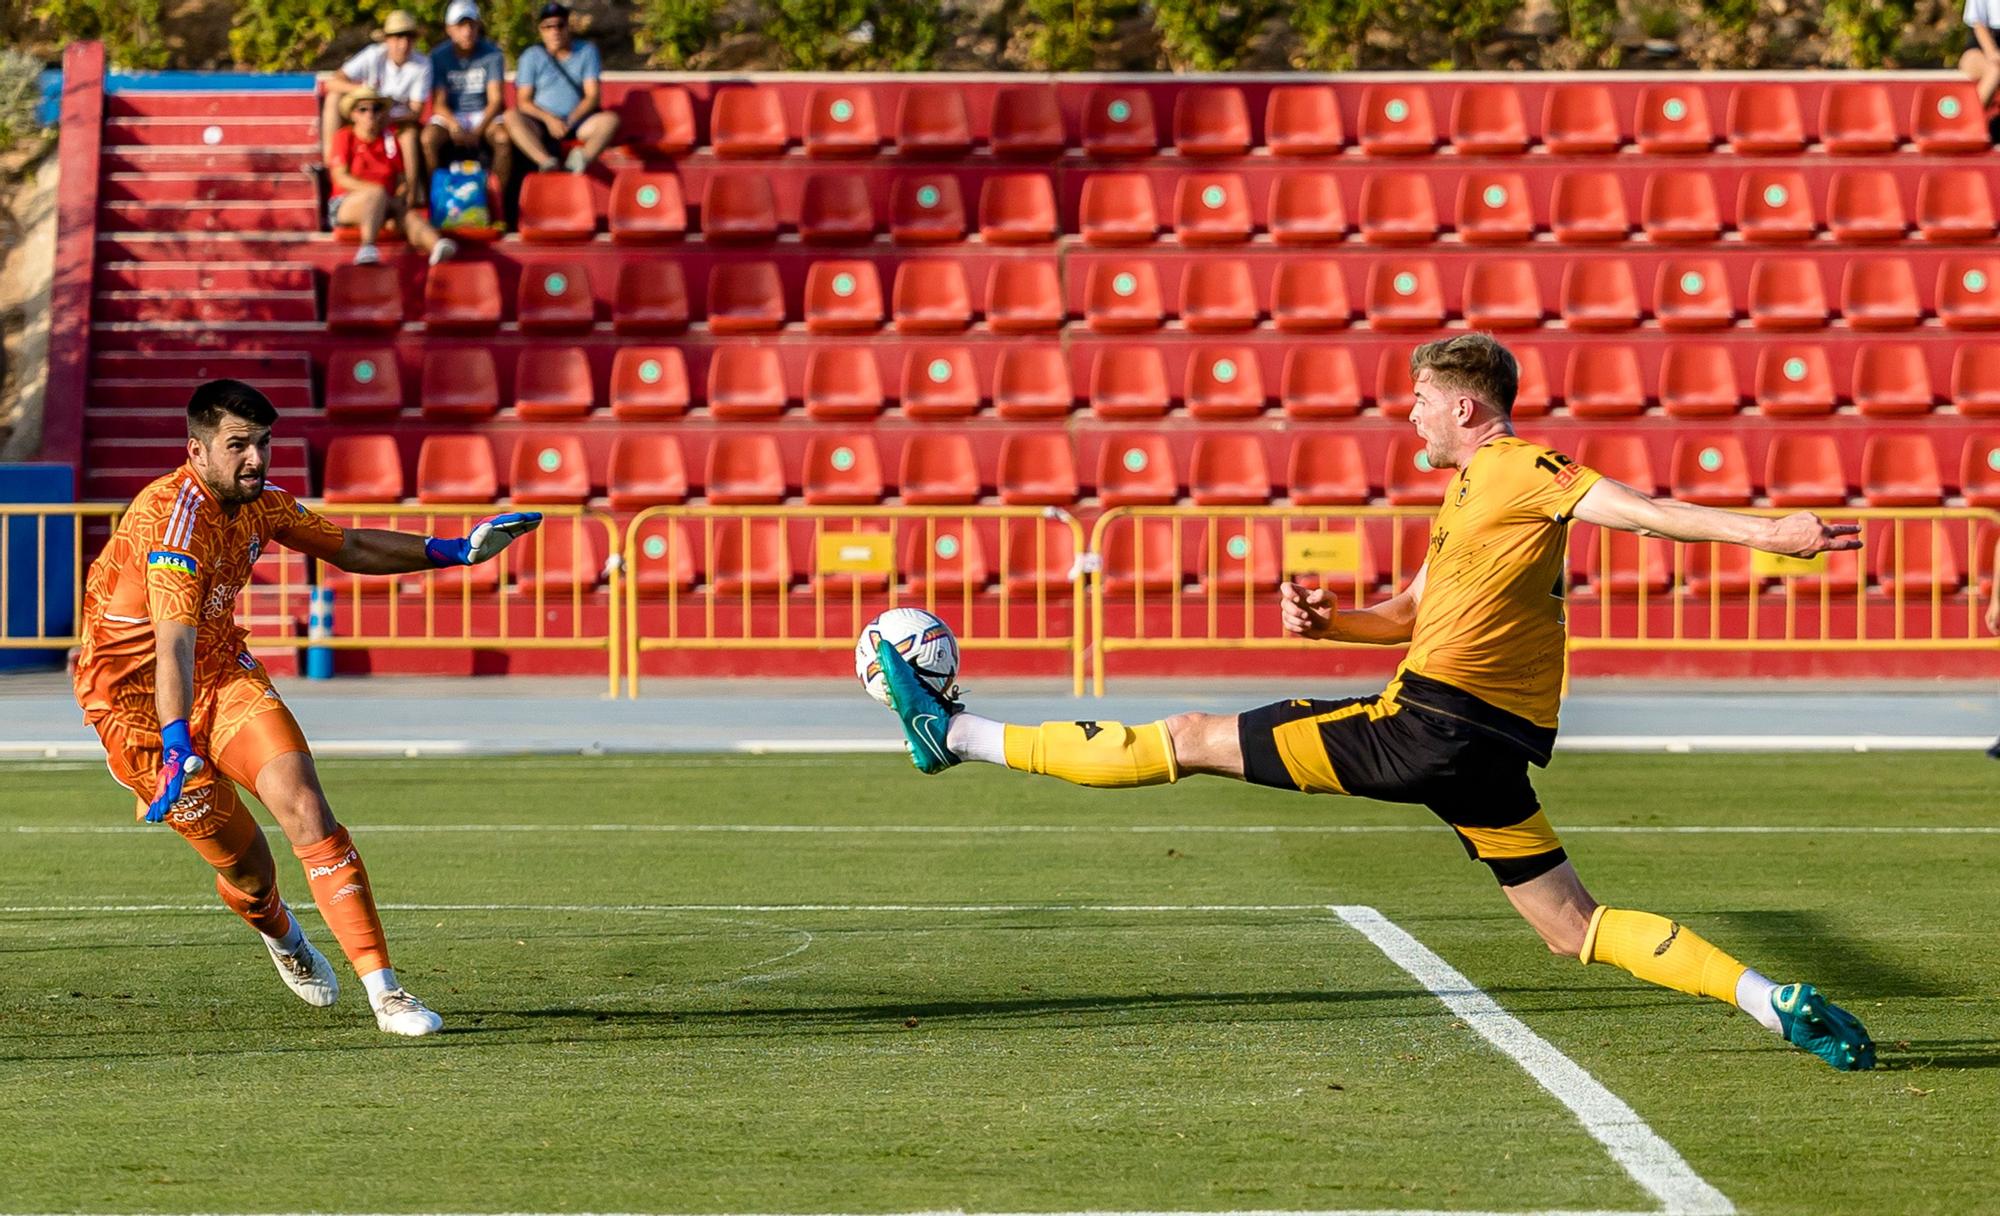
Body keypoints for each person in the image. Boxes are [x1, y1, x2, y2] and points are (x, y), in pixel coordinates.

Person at [871, 332, 1879, 1073]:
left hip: (1425, 725)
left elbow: (1640, 514)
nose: (1409, 417)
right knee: (1571, 928)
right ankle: (1766, 998)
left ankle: (951, 730)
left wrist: (1768, 534)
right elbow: (1410, 614)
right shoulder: (1471, 494)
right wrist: (1331, 621)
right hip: (1478, 750)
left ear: (1468, 410)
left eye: (1420, 403)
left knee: (1182, 737)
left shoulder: (1518, 466)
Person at [71, 380, 542, 1037]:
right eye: (238, 446)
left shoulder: (261, 504)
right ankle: (281, 930)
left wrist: (452, 552)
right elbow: (169, 647)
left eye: (262, 443)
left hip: (221, 677)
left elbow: (346, 546)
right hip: (137, 711)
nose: (256, 460)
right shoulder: (172, 520)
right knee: (247, 868)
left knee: (306, 807)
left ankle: (388, 994)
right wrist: (176, 739)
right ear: (196, 451)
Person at [329, 85, 458, 266]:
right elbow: (340, 177)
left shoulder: (389, 139)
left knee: (406, 215)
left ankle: (437, 246)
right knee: (377, 195)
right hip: (346, 203)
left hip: (385, 204)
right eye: (363, 109)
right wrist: (379, 193)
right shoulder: (344, 137)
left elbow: (401, 180)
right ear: (353, 114)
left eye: (376, 108)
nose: (370, 114)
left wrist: (398, 197)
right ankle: (367, 247)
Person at [320, 9, 431, 205]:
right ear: (387, 40)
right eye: (397, 37)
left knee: (410, 136)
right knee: (333, 99)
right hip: (366, 119)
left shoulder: (422, 64)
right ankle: (330, 162)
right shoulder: (373, 55)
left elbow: (416, 111)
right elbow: (332, 83)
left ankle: (410, 195)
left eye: (408, 37)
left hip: (395, 121)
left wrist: (383, 117)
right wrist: (362, 92)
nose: (403, 44)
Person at [503, 2, 620, 174]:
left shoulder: (587, 51)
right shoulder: (531, 56)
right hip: (542, 123)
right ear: (541, 30)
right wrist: (550, 120)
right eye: (548, 27)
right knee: (511, 116)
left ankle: (581, 160)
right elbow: (524, 101)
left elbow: (592, 95)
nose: (554, 31)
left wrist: (570, 120)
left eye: (560, 25)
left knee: (611, 120)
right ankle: (546, 162)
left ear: (568, 27)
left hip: (578, 122)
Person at [424, 0, 511, 221]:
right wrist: (455, 125)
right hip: (451, 114)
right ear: (449, 29)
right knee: (428, 139)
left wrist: (478, 130)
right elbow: (439, 103)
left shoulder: (492, 54)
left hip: (484, 113)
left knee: (502, 139)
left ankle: (496, 201)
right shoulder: (438, 56)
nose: (467, 31)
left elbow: (495, 100)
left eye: (471, 25)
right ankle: (436, 199)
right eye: (461, 26)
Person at [1961, 0, 2000, 109]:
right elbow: (1978, 24)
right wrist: (1992, 53)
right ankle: (1970, 118)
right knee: (1995, 71)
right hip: (1980, 49)